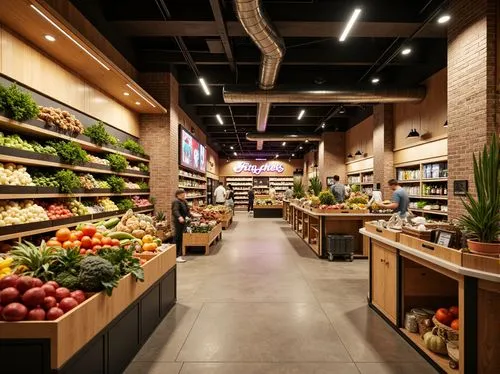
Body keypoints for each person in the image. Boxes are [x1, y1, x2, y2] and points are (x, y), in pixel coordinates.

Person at [171, 189, 190, 263]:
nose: (184, 195)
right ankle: (175, 255)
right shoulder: (176, 201)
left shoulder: (184, 201)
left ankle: (179, 254)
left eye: (184, 194)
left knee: (181, 238)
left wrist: (191, 215)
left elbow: (187, 211)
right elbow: (175, 210)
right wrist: (179, 217)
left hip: (183, 222)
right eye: (182, 194)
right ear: (178, 195)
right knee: (177, 238)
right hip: (178, 222)